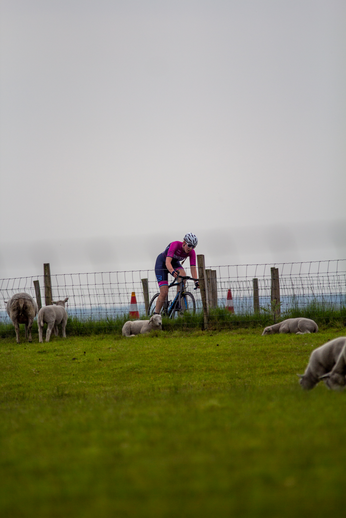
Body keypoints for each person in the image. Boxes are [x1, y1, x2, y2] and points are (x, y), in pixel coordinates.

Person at [154, 232, 199, 314]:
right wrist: (172, 271)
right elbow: (167, 262)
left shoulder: (191, 252)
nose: (190, 248)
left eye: (193, 246)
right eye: (189, 245)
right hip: (162, 264)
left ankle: (177, 301)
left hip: (174, 264)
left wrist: (196, 281)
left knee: (183, 276)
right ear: (184, 242)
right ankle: (155, 314)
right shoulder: (175, 245)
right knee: (164, 292)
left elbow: (193, 268)